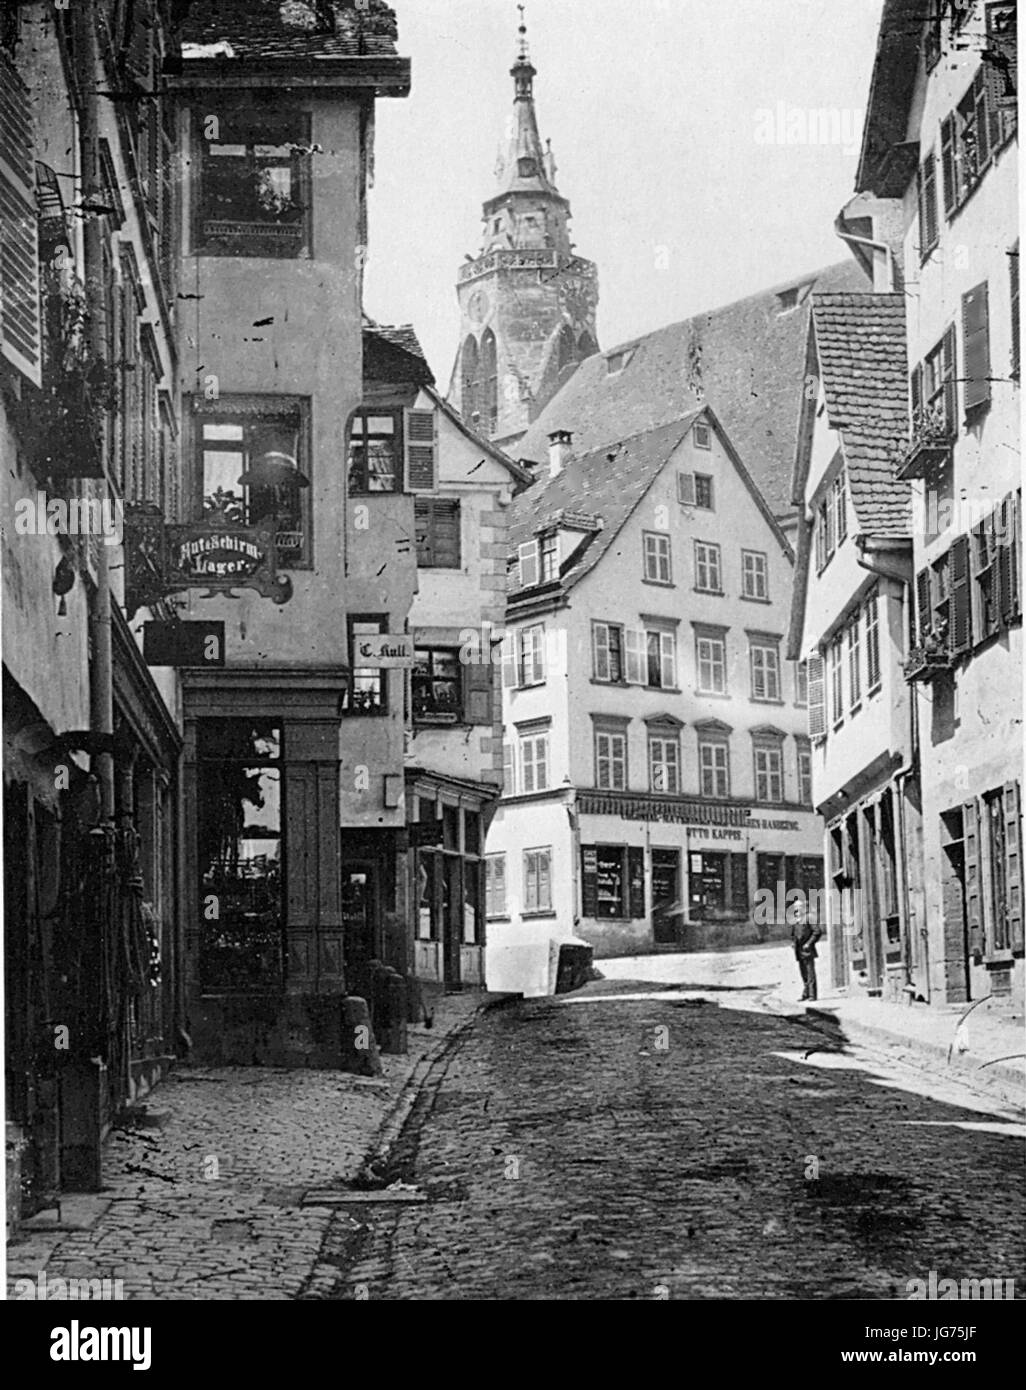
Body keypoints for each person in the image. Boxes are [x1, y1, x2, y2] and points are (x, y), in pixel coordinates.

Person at [791, 906, 823, 1001]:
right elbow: (794, 935)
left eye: (798, 908)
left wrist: (809, 943)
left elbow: (817, 931)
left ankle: (813, 995)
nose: (797, 911)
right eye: (795, 909)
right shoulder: (796, 921)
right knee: (803, 973)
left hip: (807, 950)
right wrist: (793, 943)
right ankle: (806, 994)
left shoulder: (809, 918)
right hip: (799, 951)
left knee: (810, 973)